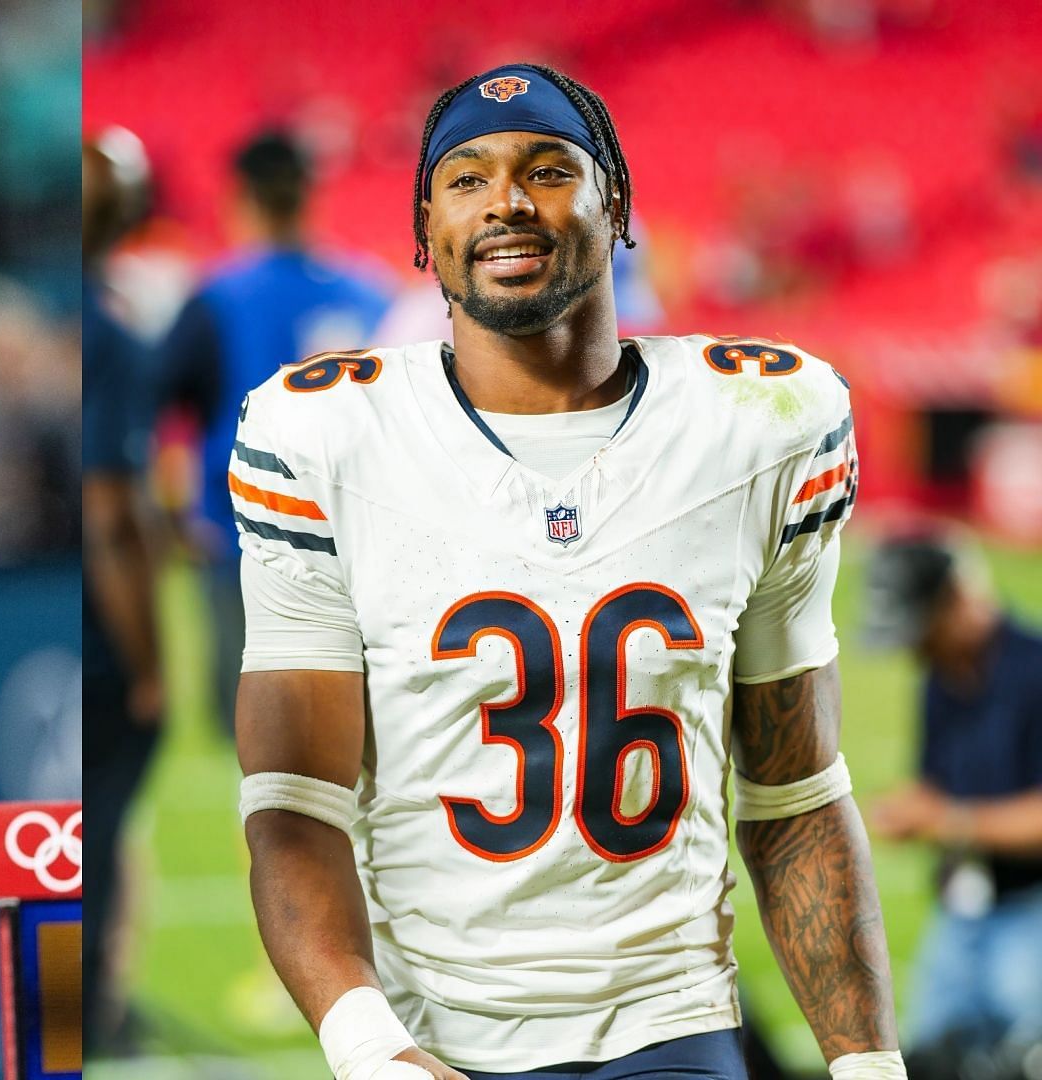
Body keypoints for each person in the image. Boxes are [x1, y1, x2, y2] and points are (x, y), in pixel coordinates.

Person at [229, 64, 903, 1080]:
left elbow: (795, 793)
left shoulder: (763, 426)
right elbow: (293, 800)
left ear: (615, 203)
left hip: (672, 1024)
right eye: (467, 178)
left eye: (548, 170)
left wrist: (867, 1067)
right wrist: (371, 1050)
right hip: (433, 1035)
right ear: (425, 226)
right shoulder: (324, 434)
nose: (505, 200)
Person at [157, 128, 390, 736]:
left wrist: (177, 512)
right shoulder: (371, 294)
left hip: (247, 530)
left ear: (242, 200)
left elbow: (161, 400)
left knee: (257, 720)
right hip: (355, 532)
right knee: (356, 711)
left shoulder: (218, 298)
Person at [865, 534, 1042, 1061]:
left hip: (1029, 912)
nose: (915, 649)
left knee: (1019, 1058)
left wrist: (947, 820)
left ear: (958, 600)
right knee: (925, 1056)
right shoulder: (940, 681)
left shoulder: (1034, 672)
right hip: (961, 910)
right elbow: (937, 784)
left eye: (923, 630)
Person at [81, 127, 164, 1055]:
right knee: (98, 827)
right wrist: (145, 658)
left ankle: (88, 1003)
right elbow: (112, 508)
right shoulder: (107, 335)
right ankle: (89, 1010)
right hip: (94, 627)